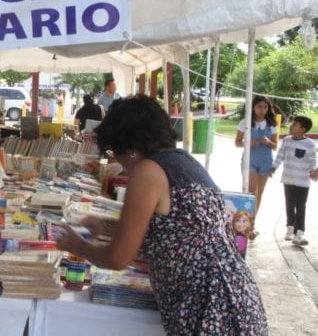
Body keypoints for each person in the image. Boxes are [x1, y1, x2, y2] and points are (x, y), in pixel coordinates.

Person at [56, 95, 267, 335]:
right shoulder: (184, 161)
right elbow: (175, 231)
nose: (119, 162)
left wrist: (77, 246)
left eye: (115, 150)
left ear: (130, 147)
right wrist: (107, 226)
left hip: (212, 307)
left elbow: (118, 258)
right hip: (235, 298)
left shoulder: (147, 171)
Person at [234, 96, 278, 238]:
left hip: (265, 161)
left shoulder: (272, 124)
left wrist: (268, 142)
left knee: (260, 194)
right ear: (253, 107)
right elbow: (237, 142)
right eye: (259, 106)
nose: (262, 110)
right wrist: (248, 143)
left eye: (265, 107)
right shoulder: (245, 122)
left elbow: (275, 146)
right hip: (249, 160)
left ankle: (252, 224)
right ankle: (247, 227)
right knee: (252, 193)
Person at [270, 115, 317, 245]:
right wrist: (274, 167)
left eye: (295, 124)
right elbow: (280, 155)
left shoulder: (309, 144)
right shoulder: (287, 140)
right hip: (288, 179)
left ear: (303, 129)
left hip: (303, 181)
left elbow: (312, 161)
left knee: (301, 206)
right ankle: (290, 228)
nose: (291, 126)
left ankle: (299, 233)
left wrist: (313, 172)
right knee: (289, 204)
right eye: (292, 124)